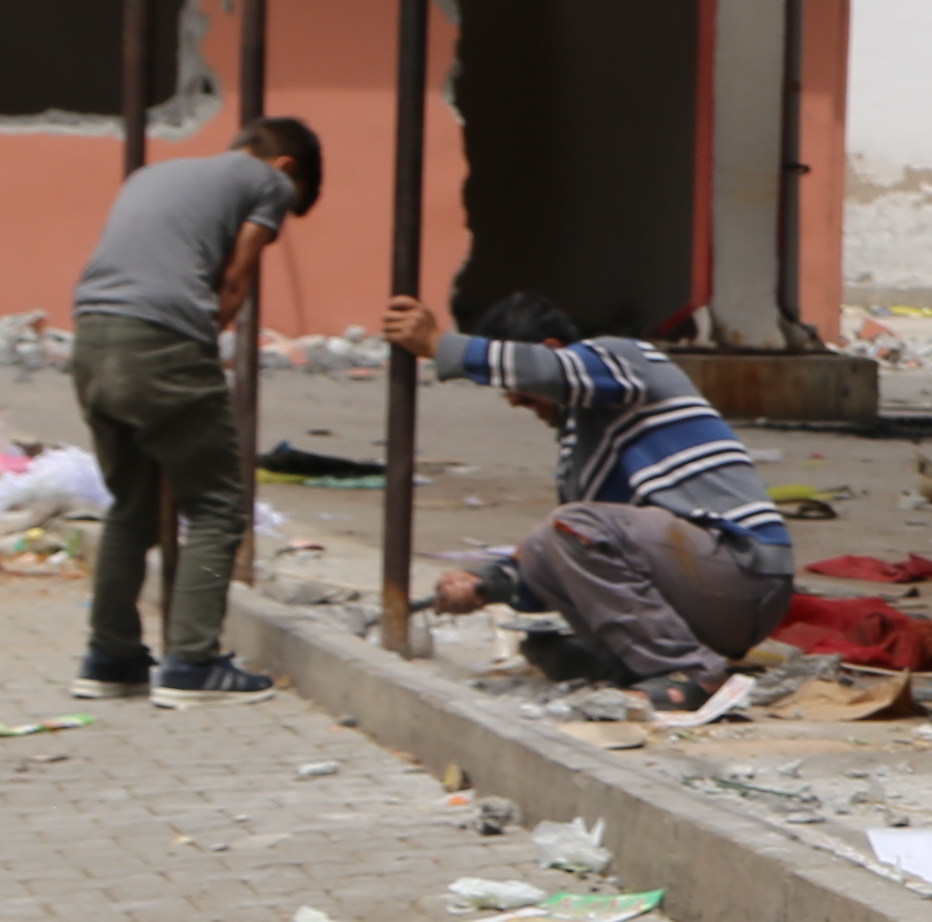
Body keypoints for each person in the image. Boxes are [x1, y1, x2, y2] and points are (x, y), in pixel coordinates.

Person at [378, 293, 796, 713]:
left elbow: (553, 372)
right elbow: (578, 564)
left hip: (744, 570)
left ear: (550, 351)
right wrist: (483, 585)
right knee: (548, 546)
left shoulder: (621, 359)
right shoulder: (578, 454)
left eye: (518, 389)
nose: (516, 401)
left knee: (568, 527)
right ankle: (640, 663)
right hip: (706, 593)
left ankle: (691, 674)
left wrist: (437, 343)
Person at [67, 115, 325, 705]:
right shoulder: (271, 181)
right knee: (218, 506)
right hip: (162, 344)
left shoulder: (152, 174)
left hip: (90, 339)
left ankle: (110, 658)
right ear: (286, 168)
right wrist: (201, 350)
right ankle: (193, 659)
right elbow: (235, 279)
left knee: (130, 507)